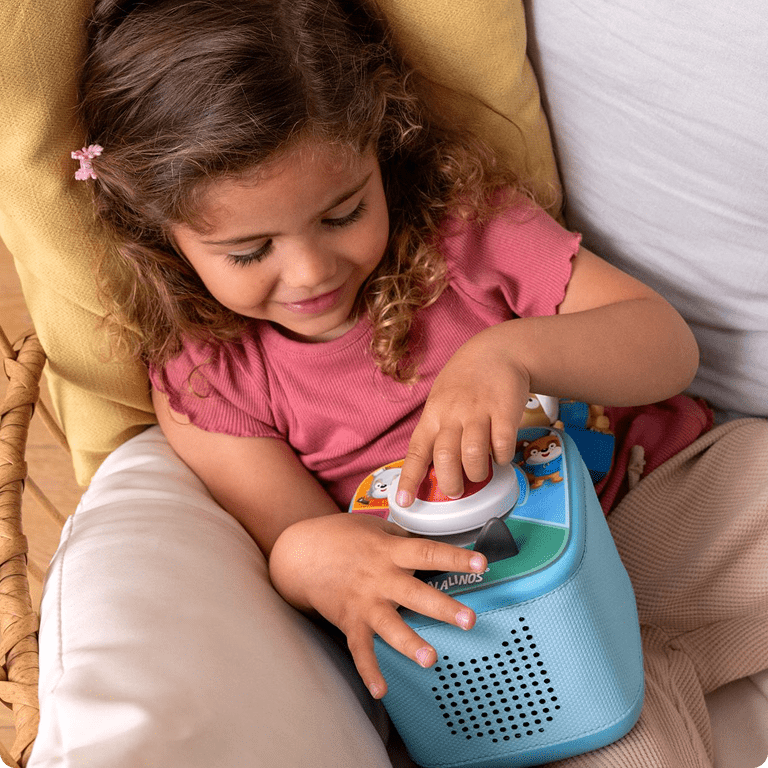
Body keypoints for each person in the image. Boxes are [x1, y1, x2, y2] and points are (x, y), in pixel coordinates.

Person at [74, 0, 698, 706]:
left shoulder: (463, 233)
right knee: (614, 733)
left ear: (380, 149)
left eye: (343, 214)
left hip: (660, 499)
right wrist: (311, 559)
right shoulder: (209, 378)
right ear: (164, 240)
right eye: (249, 251)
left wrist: (509, 354)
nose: (311, 272)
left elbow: (668, 347)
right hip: (499, 612)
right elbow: (301, 538)